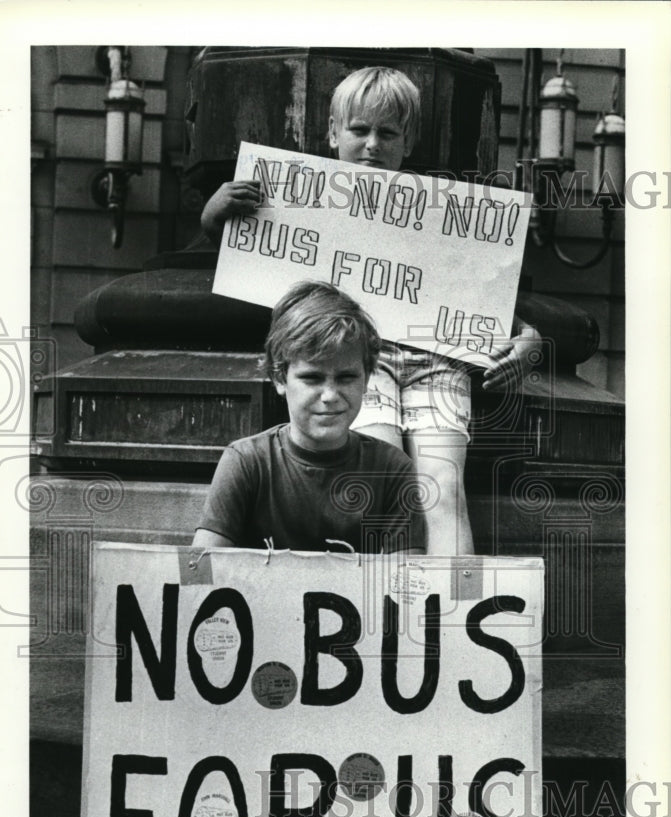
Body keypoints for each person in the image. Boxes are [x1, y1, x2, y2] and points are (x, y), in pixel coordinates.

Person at [200, 65, 540, 555]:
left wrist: (526, 340)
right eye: (359, 130)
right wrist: (215, 214)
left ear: (409, 140)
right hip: (358, 364)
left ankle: (456, 617)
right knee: (374, 479)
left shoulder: (437, 213)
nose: (372, 145)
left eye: (387, 133)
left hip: (436, 362)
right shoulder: (304, 198)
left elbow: (487, 290)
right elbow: (252, 255)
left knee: (443, 491)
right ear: (334, 132)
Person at [192, 280, 427, 554]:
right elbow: (197, 572)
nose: (329, 395)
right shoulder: (246, 462)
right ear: (280, 378)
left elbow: (410, 583)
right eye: (312, 378)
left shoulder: (394, 469)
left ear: (366, 380)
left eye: (346, 377)